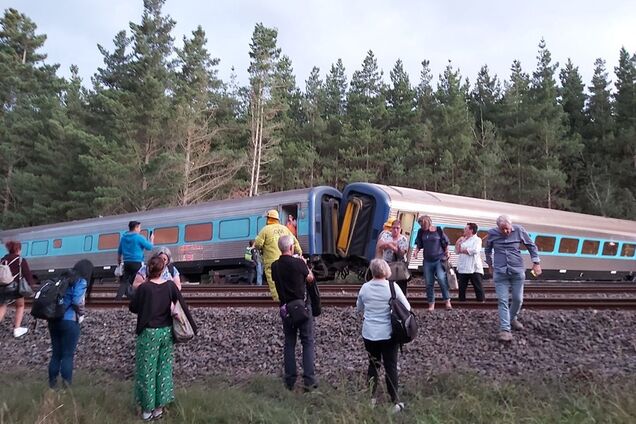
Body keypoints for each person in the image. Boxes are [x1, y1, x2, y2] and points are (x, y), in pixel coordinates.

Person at [129, 255, 196, 421]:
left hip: (148, 333)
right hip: (166, 333)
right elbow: (182, 304)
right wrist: (192, 327)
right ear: (163, 270)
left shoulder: (144, 288)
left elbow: (133, 308)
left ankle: (147, 410)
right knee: (164, 370)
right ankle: (159, 409)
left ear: (148, 271)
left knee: (147, 371)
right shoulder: (170, 286)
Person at [356, 258, 410, 413]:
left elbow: (358, 308)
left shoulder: (365, 288)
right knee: (390, 367)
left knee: (373, 365)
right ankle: (395, 402)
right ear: (386, 271)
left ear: (372, 271)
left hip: (369, 334)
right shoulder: (392, 287)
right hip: (389, 334)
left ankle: (371, 400)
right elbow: (407, 307)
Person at [485, 215, 542, 342]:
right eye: (502, 229)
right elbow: (487, 250)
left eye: (507, 229)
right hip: (500, 272)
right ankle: (505, 329)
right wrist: (490, 265)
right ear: (498, 228)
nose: (506, 231)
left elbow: (531, 246)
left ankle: (512, 318)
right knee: (502, 300)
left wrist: (536, 263)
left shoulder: (519, 230)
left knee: (518, 299)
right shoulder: (492, 233)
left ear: (511, 225)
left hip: (517, 271)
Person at [271, 235, 317, 392]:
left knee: (289, 343)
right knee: (307, 342)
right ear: (291, 248)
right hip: (302, 308)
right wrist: (305, 264)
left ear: (280, 248)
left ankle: (290, 381)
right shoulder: (298, 263)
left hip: (286, 310)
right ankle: (309, 381)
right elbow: (311, 279)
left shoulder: (274, 266)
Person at [47, 259, 93, 388]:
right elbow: (76, 301)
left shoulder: (63, 277)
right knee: (67, 355)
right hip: (69, 321)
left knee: (56, 354)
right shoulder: (81, 281)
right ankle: (66, 387)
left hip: (54, 320)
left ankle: (52, 385)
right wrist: (82, 311)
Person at [254, 209, 302, 302]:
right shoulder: (285, 229)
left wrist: (260, 248)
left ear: (268, 219)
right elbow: (294, 241)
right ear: (277, 219)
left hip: (271, 261)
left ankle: (278, 300)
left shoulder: (265, 230)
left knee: (273, 281)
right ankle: (289, 298)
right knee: (286, 279)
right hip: (285, 259)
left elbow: (258, 244)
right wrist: (299, 252)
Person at [413, 215, 452, 310]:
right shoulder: (421, 232)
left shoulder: (438, 230)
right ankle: (431, 304)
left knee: (441, 279)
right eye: (421, 225)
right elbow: (419, 243)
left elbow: (445, 242)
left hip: (439, 259)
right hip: (427, 260)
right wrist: (416, 251)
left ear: (429, 222)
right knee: (429, 283)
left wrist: (447, 251)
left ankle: (447, 301)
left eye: (424, 225)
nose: (423, 227)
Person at [0, 240, 34, 338]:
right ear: (18, 249)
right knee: (20, 305)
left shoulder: (3, 260)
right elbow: (27, 274)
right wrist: (31, 285)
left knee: (2, 306)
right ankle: (17, 329)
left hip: (2, 287)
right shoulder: (20, 260)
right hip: (15, 287)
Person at [116, 220, 154, 299]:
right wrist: (151, 240)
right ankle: (138, 296)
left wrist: (119, 260)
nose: (140, 229)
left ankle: (118, 298)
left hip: (126, 262)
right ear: (136, 227)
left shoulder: (123, 238)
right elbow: (149, 247)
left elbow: (119, 251)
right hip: (137, 262)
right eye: (139, 227)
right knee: (138, 279)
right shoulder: (139, 237)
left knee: (124, 280)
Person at [375, 219, 410, 295]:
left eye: (397, 228)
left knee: (400, 285)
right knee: (386, 283)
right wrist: (390, 244)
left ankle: (401, 301)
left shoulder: (403, 239)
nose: (395, 230)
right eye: (394, 228)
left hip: (399, 264)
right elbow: (380, 245)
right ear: (391, 228)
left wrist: (393, 248)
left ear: (400, 229)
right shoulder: (386, 235)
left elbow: (402, 253)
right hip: (387, 262)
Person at [455, 223, 485, 302]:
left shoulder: (477, 240)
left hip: (474, 267)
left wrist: (463, 250)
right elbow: (457, 251)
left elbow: (475, 250)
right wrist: (458, 243)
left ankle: (481, 302)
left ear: (471, 230)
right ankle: (461, 302)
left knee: (478, 286)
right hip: (463, 267)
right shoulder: (463, 239)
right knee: (462, 287)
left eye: (465, 229)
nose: (464, 230)